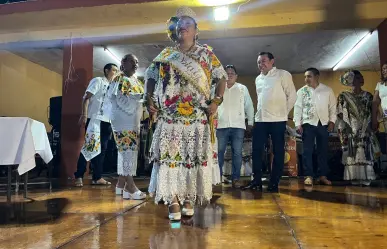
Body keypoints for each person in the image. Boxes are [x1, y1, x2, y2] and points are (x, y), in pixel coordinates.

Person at [145, 6, 227, 221]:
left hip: (197, 116)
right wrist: (149, 98)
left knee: (191, 159)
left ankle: (188, 197)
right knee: (170, 158)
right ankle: (173, 199)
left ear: (196, 30)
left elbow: (221, 77)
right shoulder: (166, 55)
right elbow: (150, 77)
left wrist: (217, 100)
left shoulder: (206, 54)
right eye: (180, 24)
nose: (183, 27)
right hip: (170, 117)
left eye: (188, 24)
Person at [242, 52, 296, 192]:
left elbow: (292, 96)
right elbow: (261, 100)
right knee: (256, 150)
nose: (261, 64)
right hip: (261, 120)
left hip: (278, 120)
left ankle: (274, 183)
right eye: (259, 62)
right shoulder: (258, 79)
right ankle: (257, 181)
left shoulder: (283, 74)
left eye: (264, 61)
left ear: (272, 61)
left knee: (278, 152)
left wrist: (284, 113)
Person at [109, 54, 146, 199]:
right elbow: (121, 100)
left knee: (129, 150)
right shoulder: (120, 78)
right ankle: (130, 186)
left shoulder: (135, 80)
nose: (136, 64)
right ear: (123, 63)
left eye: (137, 62)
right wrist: (137, 98)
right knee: (127, 151)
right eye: (133, 61)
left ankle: (121, 184)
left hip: (132, 121)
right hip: (123, 120)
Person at [74, 63, 118, 187]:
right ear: (106, 70)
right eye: (114, 70)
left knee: (102, 149)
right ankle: (78, 175)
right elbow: (86, 98)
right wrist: (84, 114)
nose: (116, 72)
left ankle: (97, 177)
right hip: (95, 119)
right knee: (89, 146)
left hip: (107, 121)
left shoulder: (114, 86)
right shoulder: (98, 81)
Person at [293, 68, 336, 186]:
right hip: (308, 124)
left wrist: (332, 121)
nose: (306, 79)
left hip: (323, 124)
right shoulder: (301, 91)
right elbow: (297, 108)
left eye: (309, 76)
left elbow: (333, 107)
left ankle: (322, 175)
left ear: (317, 76)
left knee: (323, 150)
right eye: (305, 77)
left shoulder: (327, 90)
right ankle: (309, 175)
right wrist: (297, 124)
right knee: (307, 151)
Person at [338, 70, 380, 186]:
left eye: (362, 77)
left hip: (365, 129)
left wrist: (371, 126)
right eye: (357, 77)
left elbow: (373, 113)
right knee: (352, 153)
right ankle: (354, 178)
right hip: (350, 128)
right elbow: (340, 114)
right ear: (350, 81)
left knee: (365, 153)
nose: (361, 79)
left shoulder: (368, 96)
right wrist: (346, 129)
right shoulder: (343, 96)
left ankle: (366, 178)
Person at [216, 65, 254, 188]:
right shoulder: (216, 88)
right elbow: (211, 104)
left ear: (236, 76)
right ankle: (218, 178)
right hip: (221, 126)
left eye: (232, 73)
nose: (230, 74)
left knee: (237, 153)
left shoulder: (242, 88)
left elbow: (249, 106)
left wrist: (250, 123)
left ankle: (236, 179)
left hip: (238, 126)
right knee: (219, 152)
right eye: (227, 73)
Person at [372, 61, 387, 131]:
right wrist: (375, 118)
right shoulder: (379, 85)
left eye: (386, 68)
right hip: (386, 117)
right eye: (382, 69)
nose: (384, 71)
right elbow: (374, 102)